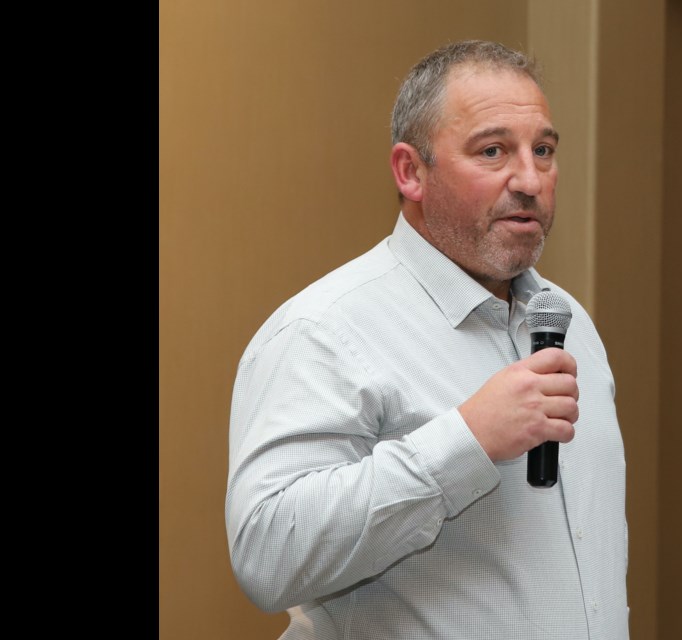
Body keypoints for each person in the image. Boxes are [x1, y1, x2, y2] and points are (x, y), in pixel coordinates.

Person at [226, 39, 629, 639]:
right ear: (411, 172)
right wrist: (465, 440)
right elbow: (267, 554)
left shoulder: (570, 323)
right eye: (493, 151)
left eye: (542, 151)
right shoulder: (326, 328)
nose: (529, 179)